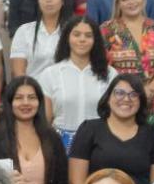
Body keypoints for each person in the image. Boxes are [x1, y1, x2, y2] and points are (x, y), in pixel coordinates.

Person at [70, 74, 154, 184]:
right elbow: (76, 182)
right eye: (119, 93)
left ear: (141, 101)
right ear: (108, 97)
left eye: (133, 94)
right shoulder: (89, 129)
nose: (126, 99)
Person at [42, 18, 111, 148]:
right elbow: (46, 119)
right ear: (67, 38)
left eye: (88, 35)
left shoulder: (110, 74)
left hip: (100, 142)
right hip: (60, 144)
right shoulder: (50, 74)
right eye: (76, 34)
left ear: (95, 40)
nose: (82, 39)